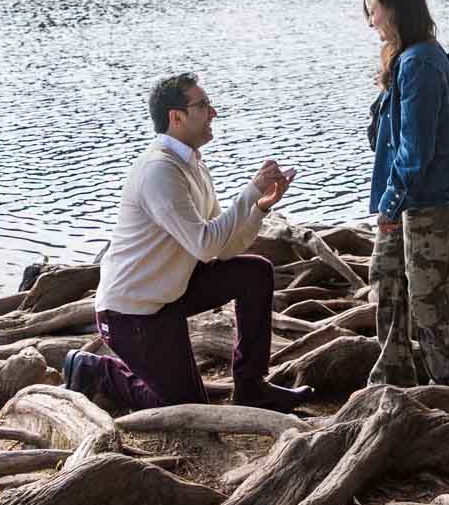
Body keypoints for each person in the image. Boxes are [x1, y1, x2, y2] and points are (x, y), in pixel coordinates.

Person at [65, 70, 315, 414]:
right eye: (204, 105)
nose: (213, 112)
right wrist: (251, 189)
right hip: (132, 311)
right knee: (186, 408)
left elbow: (222, 245)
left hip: (170, 293)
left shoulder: (192, 163)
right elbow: (205, 245)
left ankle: (252, 387)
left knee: (254, 273)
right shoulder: (159, 171)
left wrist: (258, 208)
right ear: (176, 117)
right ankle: (92, 370)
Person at [364, 0, 449, 388]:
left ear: (395, 10)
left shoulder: (422, 63)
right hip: (407, 196)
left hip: (429, 198)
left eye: (373, 11)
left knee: (430, 298)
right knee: (386, 278)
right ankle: (393, 380)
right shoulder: (407, 57)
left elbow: (416, 150)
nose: (370, 21)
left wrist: (390, 205)